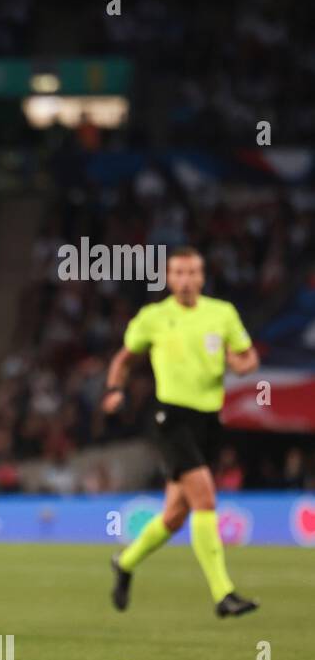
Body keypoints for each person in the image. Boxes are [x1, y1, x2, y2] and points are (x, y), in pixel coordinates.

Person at [103, 246, 260, 617]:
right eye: (178, 273)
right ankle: (223, 594)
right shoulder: (153, 317)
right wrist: (114, 390)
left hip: (208, 421)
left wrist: (242, 363)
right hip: (169, 418)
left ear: (202, 277)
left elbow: (248, 355)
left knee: (174, 515)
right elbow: (123, 359)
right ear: (169, 278)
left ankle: (125, 562)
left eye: (192, 273)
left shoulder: (222, 314)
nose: (186, 280)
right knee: (205, 498)